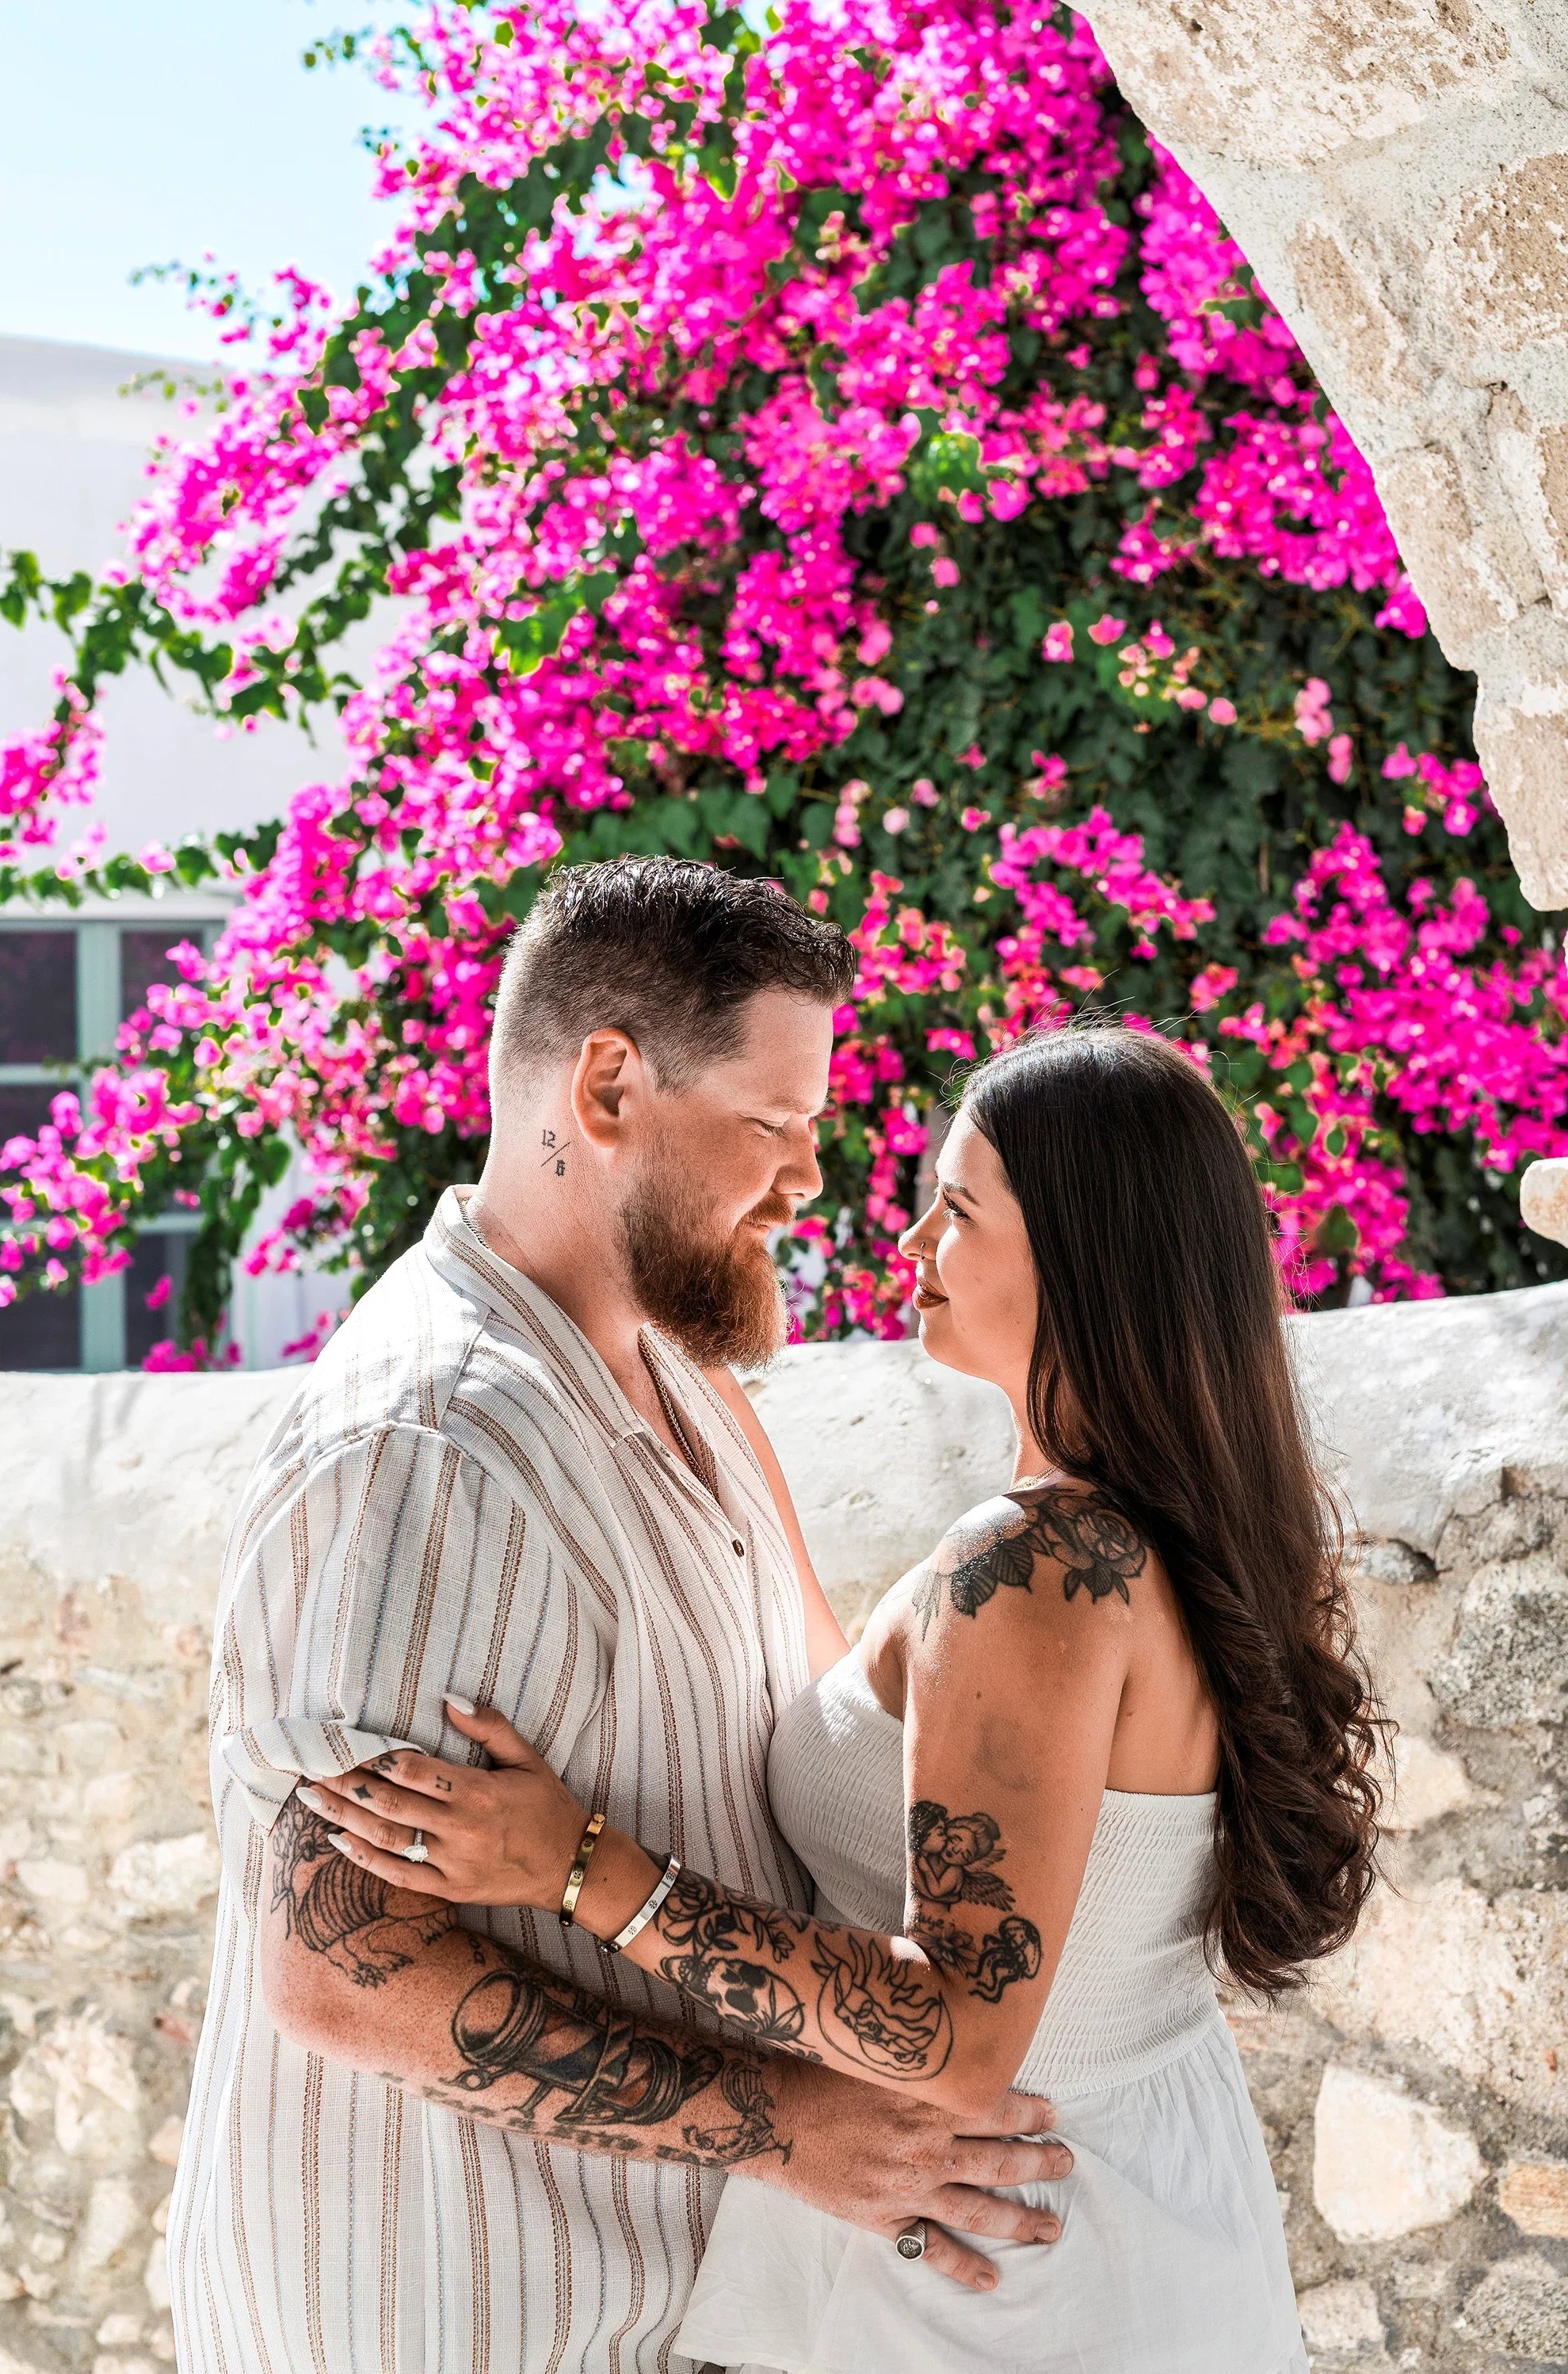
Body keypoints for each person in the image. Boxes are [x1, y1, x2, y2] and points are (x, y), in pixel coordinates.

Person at [311, 1022, 1387, 2374]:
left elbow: (956, 2033)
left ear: (1083, 1258)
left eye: (961, 1208)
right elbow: (867, 1719)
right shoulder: (1136, 1539)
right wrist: (682, 1402)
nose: (912, 1237)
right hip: (1118, 2208)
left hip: (999, 2256)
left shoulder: (1037, 1568)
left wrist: (575, 1865)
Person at [169, 857, 1072, 2374]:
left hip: (648, 2314)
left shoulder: (691, 1389)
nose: (808, 1179)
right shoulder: (429, 1445)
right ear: (606, 1087)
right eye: (773, 1126)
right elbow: (338, 1967)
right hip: (439, 2319)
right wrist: (794, 2130)